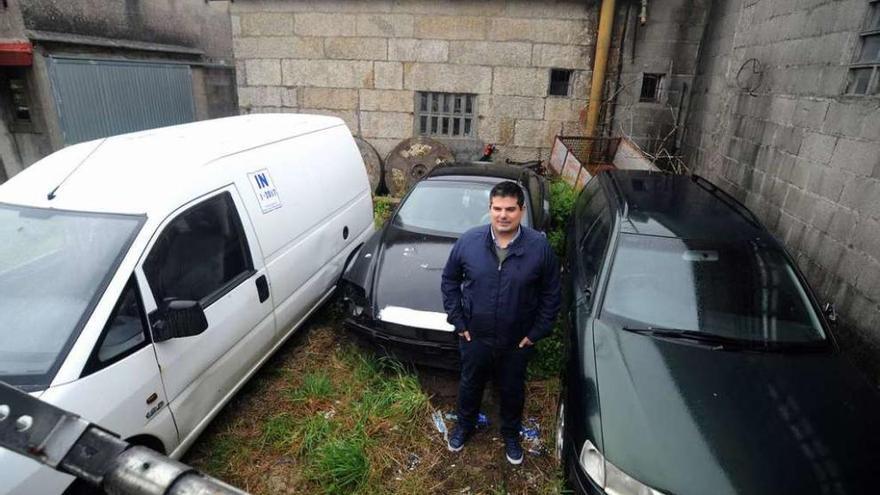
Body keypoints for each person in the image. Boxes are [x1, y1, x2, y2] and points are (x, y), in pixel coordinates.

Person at [440, 180, 561, 465]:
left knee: (512, 389)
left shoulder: (539, 248)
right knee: (470, 385)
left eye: (510, 209)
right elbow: (449, 281)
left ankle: (510, 435)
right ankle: (464, 427)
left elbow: (551, 293)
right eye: (497, 209)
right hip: (475, 337)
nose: (502, 215)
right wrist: (459, 321)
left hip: (516, 341)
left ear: (521, 211)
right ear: (489, 209)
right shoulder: (469, 241)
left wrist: (536, 332)